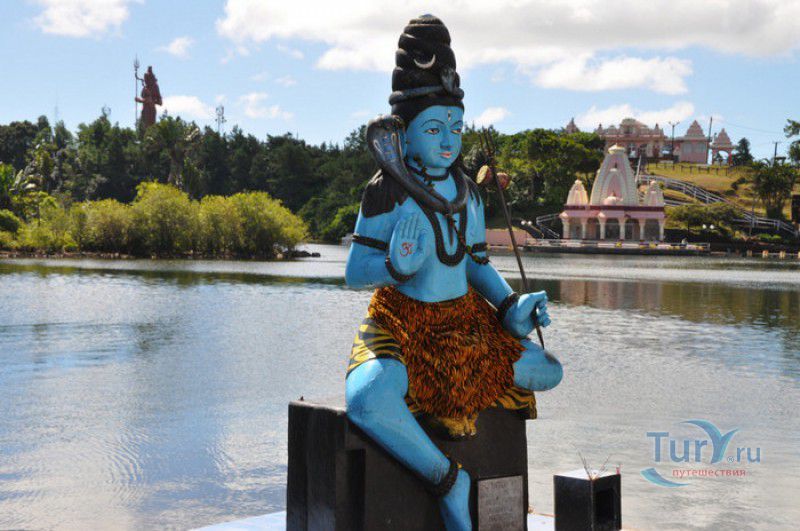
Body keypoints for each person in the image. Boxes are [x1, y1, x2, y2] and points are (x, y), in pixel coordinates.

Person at [344, 15, 563, 530]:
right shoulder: (387, 191)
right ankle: (446, 480)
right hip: (402, 322)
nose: (448, 143)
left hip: (465, 325)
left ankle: (440, 409)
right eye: (434, 129)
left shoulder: (467, 195)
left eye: (456, 129)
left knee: (549, 369)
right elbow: (355, 272)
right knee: (367, 399)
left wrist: (510, 305)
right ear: (404, 134)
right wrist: (394, 266)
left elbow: (475, 263)